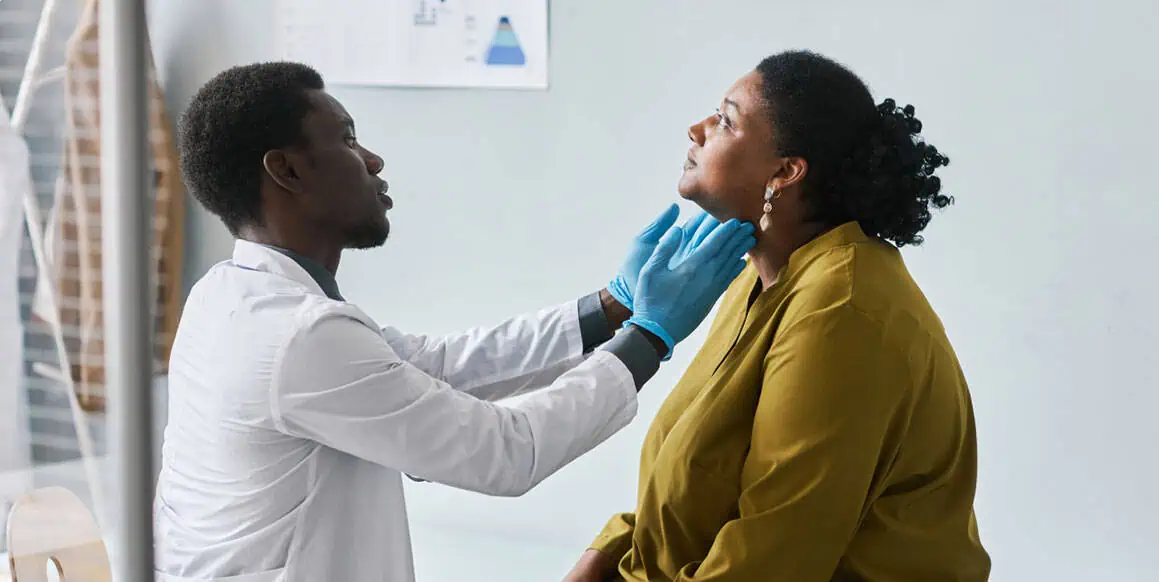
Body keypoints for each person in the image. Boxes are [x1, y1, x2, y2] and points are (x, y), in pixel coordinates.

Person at [151, 61, 756, 582]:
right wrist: (648, 337)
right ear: (287, 171)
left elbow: (439, 367)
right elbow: (505, 452)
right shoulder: (297, 338)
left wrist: (612, 306)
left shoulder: (233, 299)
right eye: (347, 139)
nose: (373, 158)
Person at [565, 50, 991, 582]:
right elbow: (700, 489)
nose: (696, 130)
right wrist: (602, 556)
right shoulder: (759, 276)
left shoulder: (841, 310)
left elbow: (768, 562)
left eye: (725, 119)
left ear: (785, 172)